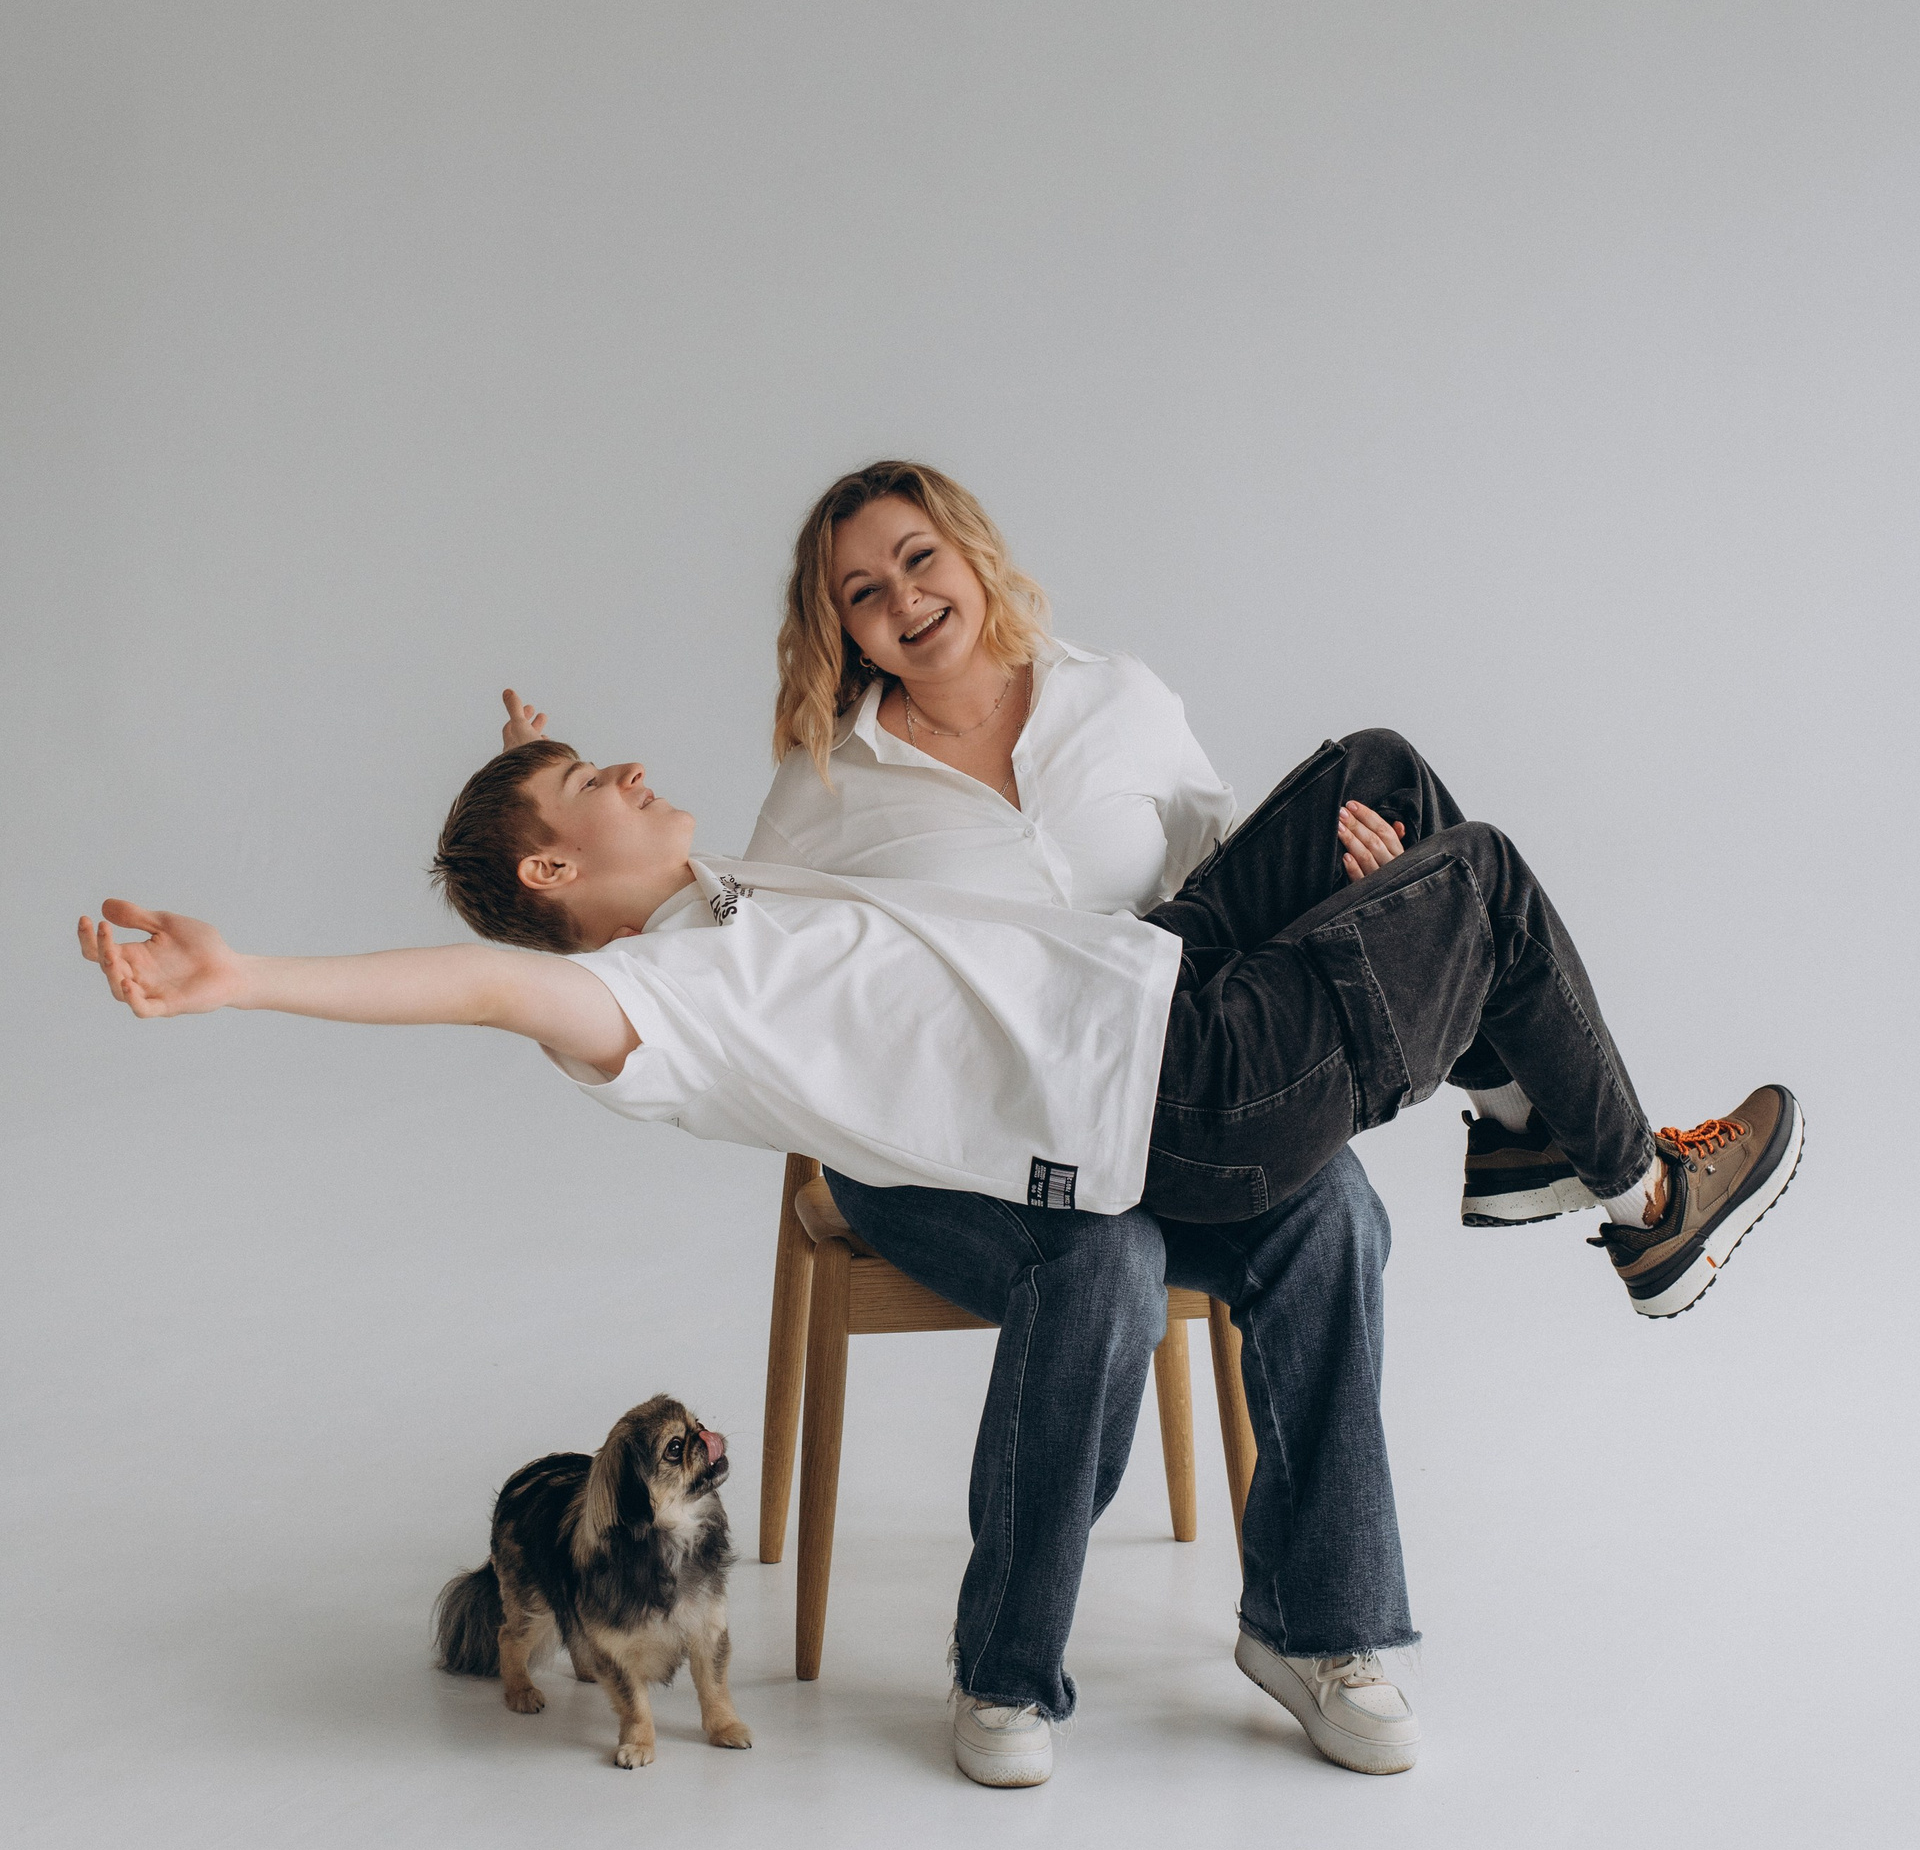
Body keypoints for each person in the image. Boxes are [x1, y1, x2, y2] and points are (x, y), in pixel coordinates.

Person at [78, 719, 1800, 1789]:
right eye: (597, 783)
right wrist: (252, 976)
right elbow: (483, 978)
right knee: (1481, 884)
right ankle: (1641, 1198)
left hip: (1152, 976)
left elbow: (551, 872)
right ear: (554, 863)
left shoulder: (715, 896)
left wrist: (537, 767)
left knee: (1385, 780)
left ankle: (1516, 1140)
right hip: (1164, 1090)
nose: (634, 771)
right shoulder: (646, 999)